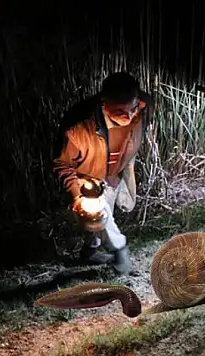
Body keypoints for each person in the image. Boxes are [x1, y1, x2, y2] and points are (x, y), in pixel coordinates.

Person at [54, 72, 152, 274]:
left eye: (133, 109)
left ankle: (90, 251)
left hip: (115, 170)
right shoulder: (78, 128)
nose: (129, 116)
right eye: (120, 111)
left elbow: (135, 124)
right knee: (98, 211)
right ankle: (119, 248)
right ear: (104, 102)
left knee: (101, 215)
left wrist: (122, 170)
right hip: (88, 177)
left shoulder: (141, 107)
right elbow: (62, 164)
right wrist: (77, 195)